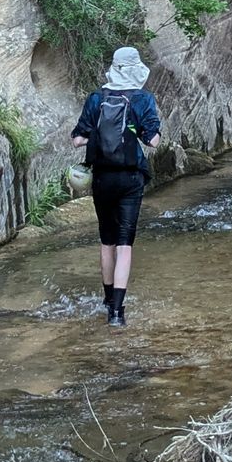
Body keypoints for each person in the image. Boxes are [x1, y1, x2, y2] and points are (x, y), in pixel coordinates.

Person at [68, 47, 162, 327]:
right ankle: (117, 314)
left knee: (106, 241)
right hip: (131, 180)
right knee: (124, 245)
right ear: (136, 69)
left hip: (102, 178)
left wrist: (99, 135)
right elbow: (153, 141)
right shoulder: (143, 98)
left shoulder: (97, 97)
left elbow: (77, 140)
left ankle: (107, 299)